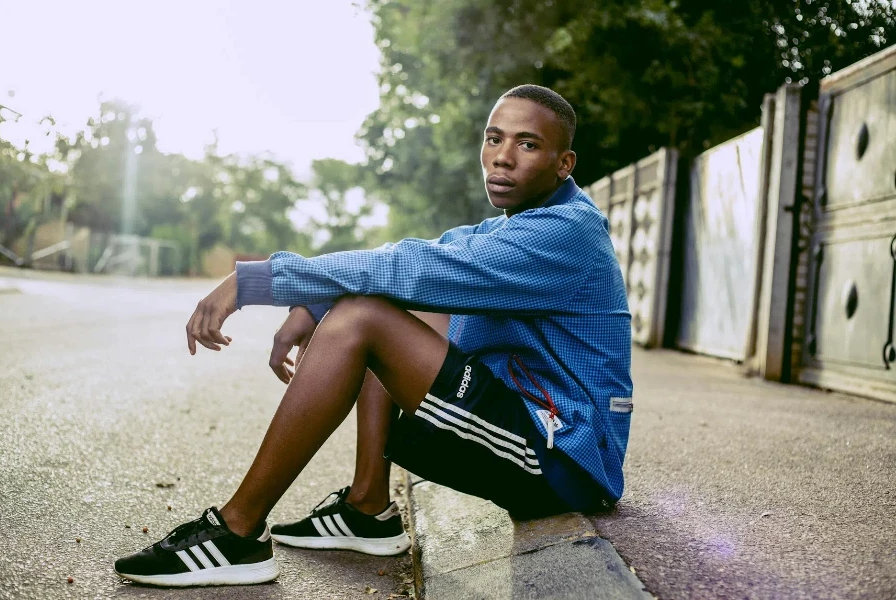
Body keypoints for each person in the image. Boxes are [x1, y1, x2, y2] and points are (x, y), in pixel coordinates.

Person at [113, 84, 633, 587]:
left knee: (363, 316)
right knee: (377, 303)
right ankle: (368, 507)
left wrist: (260, 279)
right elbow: (407, 262)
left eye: (528, 144)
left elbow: (411, 267)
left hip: (562, 458)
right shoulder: (509, 227)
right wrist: (314, 303)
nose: (502, 156)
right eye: (494, 138)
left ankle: (237, 533)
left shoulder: (566, 232)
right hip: (530, 428)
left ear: (564, 164)